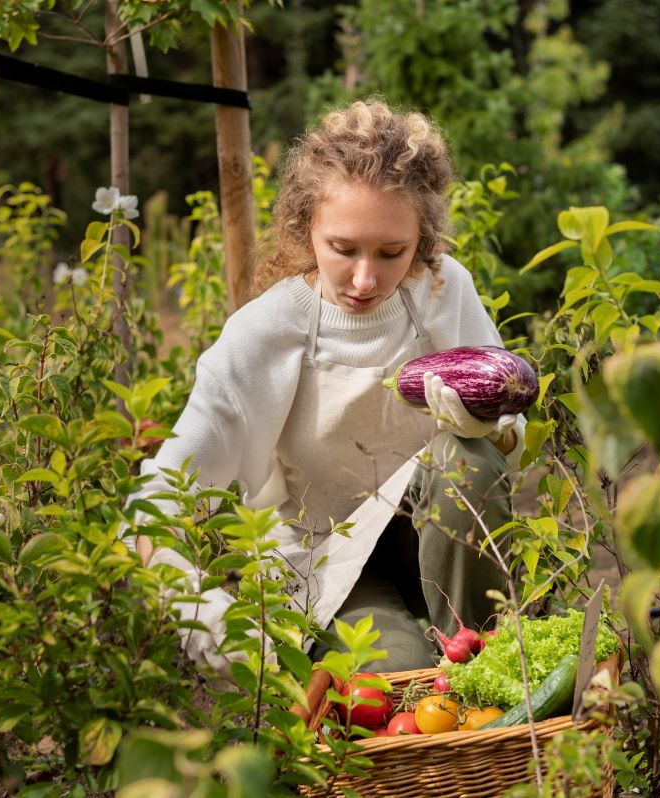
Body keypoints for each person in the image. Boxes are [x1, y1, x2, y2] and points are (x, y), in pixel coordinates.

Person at [127, 99, 524, 678]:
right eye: (343, 249)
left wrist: (490, 428)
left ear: (423, 239)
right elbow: (158, 503)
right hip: (329, 558)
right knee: (391, 680)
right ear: (304, 225)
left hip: (441, 541)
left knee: (464, 459)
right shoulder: (264, 333)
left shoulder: (442, 291)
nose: (366, 280)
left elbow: (510, 436)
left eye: (392, 253)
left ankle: (493, 666)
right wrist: (206, 615)